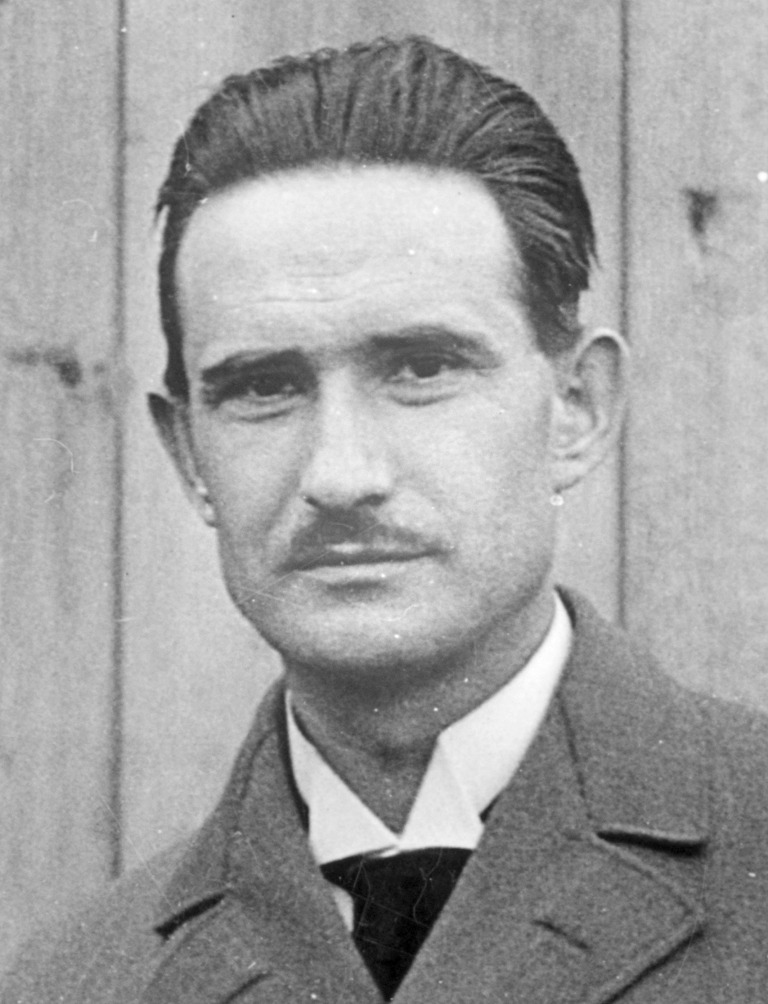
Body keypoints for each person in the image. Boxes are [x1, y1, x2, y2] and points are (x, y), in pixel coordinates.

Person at [5, 35, 768, 1004]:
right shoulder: (78, 980)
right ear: (190, 454)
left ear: (577, 407)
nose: (341, 474)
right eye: (263, 387)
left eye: (421, 368)